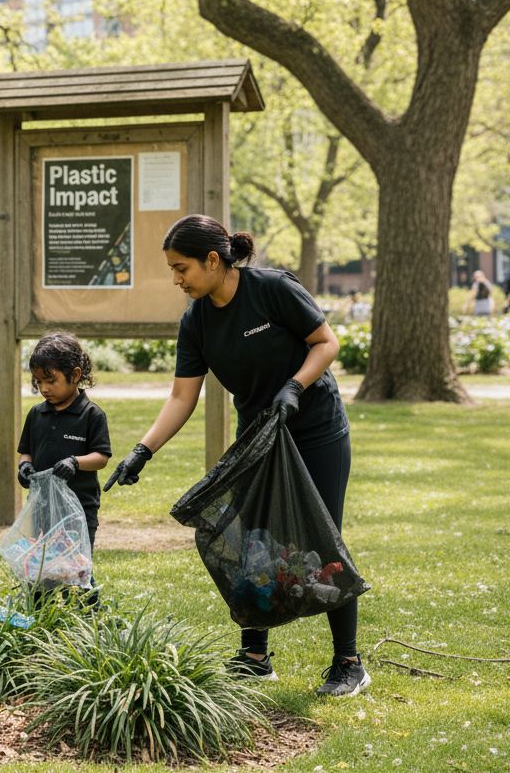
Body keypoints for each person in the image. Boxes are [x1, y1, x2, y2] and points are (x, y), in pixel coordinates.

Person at [107, 214, 365, 697]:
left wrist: (294, 387)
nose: (177, 279)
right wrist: (142, 451)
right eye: (171, 270)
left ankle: (348, 661)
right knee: (254, 540)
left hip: (314, 428)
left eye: (181, 268)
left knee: (324, 539)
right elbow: (182, 397)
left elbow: (326, 342)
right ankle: (254, 656)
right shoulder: (197, 320)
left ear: (213, 260)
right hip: (258, 438)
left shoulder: (272, 289)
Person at [16, 333, 112, 548]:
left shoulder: (91, 414)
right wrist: (24, 466)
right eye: (38, 381)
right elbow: (26, 451)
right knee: (44, 560)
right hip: (42, 505)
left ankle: (83, 583)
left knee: (76, 564)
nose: (44, 388)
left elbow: (101, 457)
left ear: (75, 374)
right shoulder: (36, 414)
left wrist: (75, 462)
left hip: (78, 507)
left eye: (51, 381)